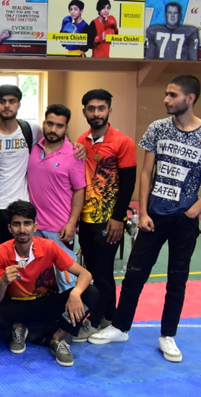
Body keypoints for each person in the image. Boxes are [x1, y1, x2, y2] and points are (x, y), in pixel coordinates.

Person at [89, 75, 201, 363]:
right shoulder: (157, 128)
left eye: (172, 95)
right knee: (135, 273)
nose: (165, 99)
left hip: (185, 220)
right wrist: (144, 211)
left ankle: (168, 335)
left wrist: (193, 211)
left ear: (189, 98)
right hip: (153, 217)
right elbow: (146, 172)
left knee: (177, 279)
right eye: (166, 94)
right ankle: (120, 327)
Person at [0, 200, 98, 367]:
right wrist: (4, 282)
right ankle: (20, 328)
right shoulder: (1, 251)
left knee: (91, 292)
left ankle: (58, 338)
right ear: (9, 228)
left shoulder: (49, 246)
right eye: (17, 224)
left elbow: (85, 274)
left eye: (27, 223)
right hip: (17, 306)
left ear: (35, 227)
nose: (22, 229)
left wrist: (75, 293)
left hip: (45, 303)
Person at [72, 89, 136, 342]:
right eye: (91, 108)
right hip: (86, 219)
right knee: (95, 270)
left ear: (110, 110)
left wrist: (118, 218)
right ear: (84, 111)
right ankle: (110, 316)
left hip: (108, 221)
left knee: (102, 274)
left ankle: (95, 321)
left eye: (101, 108)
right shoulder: (81, 140)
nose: (96, 113)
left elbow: (128, 183)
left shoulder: (123, 142)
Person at [27, 104, 86, 293]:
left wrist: (72, 223)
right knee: (37, 278)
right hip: (34, 227)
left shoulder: (74, 154)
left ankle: (73, 313)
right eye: (50, 124)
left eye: (59, 126)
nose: (53, 129)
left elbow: (79, 190)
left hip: (60, 229)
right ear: (44, 123)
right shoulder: (33, 147)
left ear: (66, 128)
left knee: (67, 281)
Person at [0, 85, 42, 243]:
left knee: (19, 251)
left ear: (19, 104)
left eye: (12, 101)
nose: (7, 105)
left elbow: (57, 140)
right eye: (2, 101)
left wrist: (78, 146)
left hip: (19, 204)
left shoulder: (30, 129)